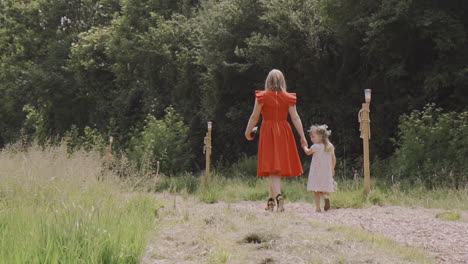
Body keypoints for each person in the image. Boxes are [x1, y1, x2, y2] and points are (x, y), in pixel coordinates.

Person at [245, 69, 307, 212]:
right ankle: (270, 201)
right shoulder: (289, 97)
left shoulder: (262, 96)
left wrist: (248, 132)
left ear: (268, 81)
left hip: (268, 130)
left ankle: (278, 197)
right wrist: (302, 136)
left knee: (272, 167)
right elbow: (295, 118)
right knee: (275, 167)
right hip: (284, 131)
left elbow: (254, 117)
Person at [303, 124, 337, 212]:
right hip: (326, 172)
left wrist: (304, 146)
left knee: (316, 190)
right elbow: (333, 158)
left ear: (321, 137)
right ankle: (325, 197)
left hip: (316, 172)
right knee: (323, 188)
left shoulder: (315, 147)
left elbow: (307, 152)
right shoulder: (330, 147)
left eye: (313, 137)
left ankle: (318, 208)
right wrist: (332, 169)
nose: (311, 139)